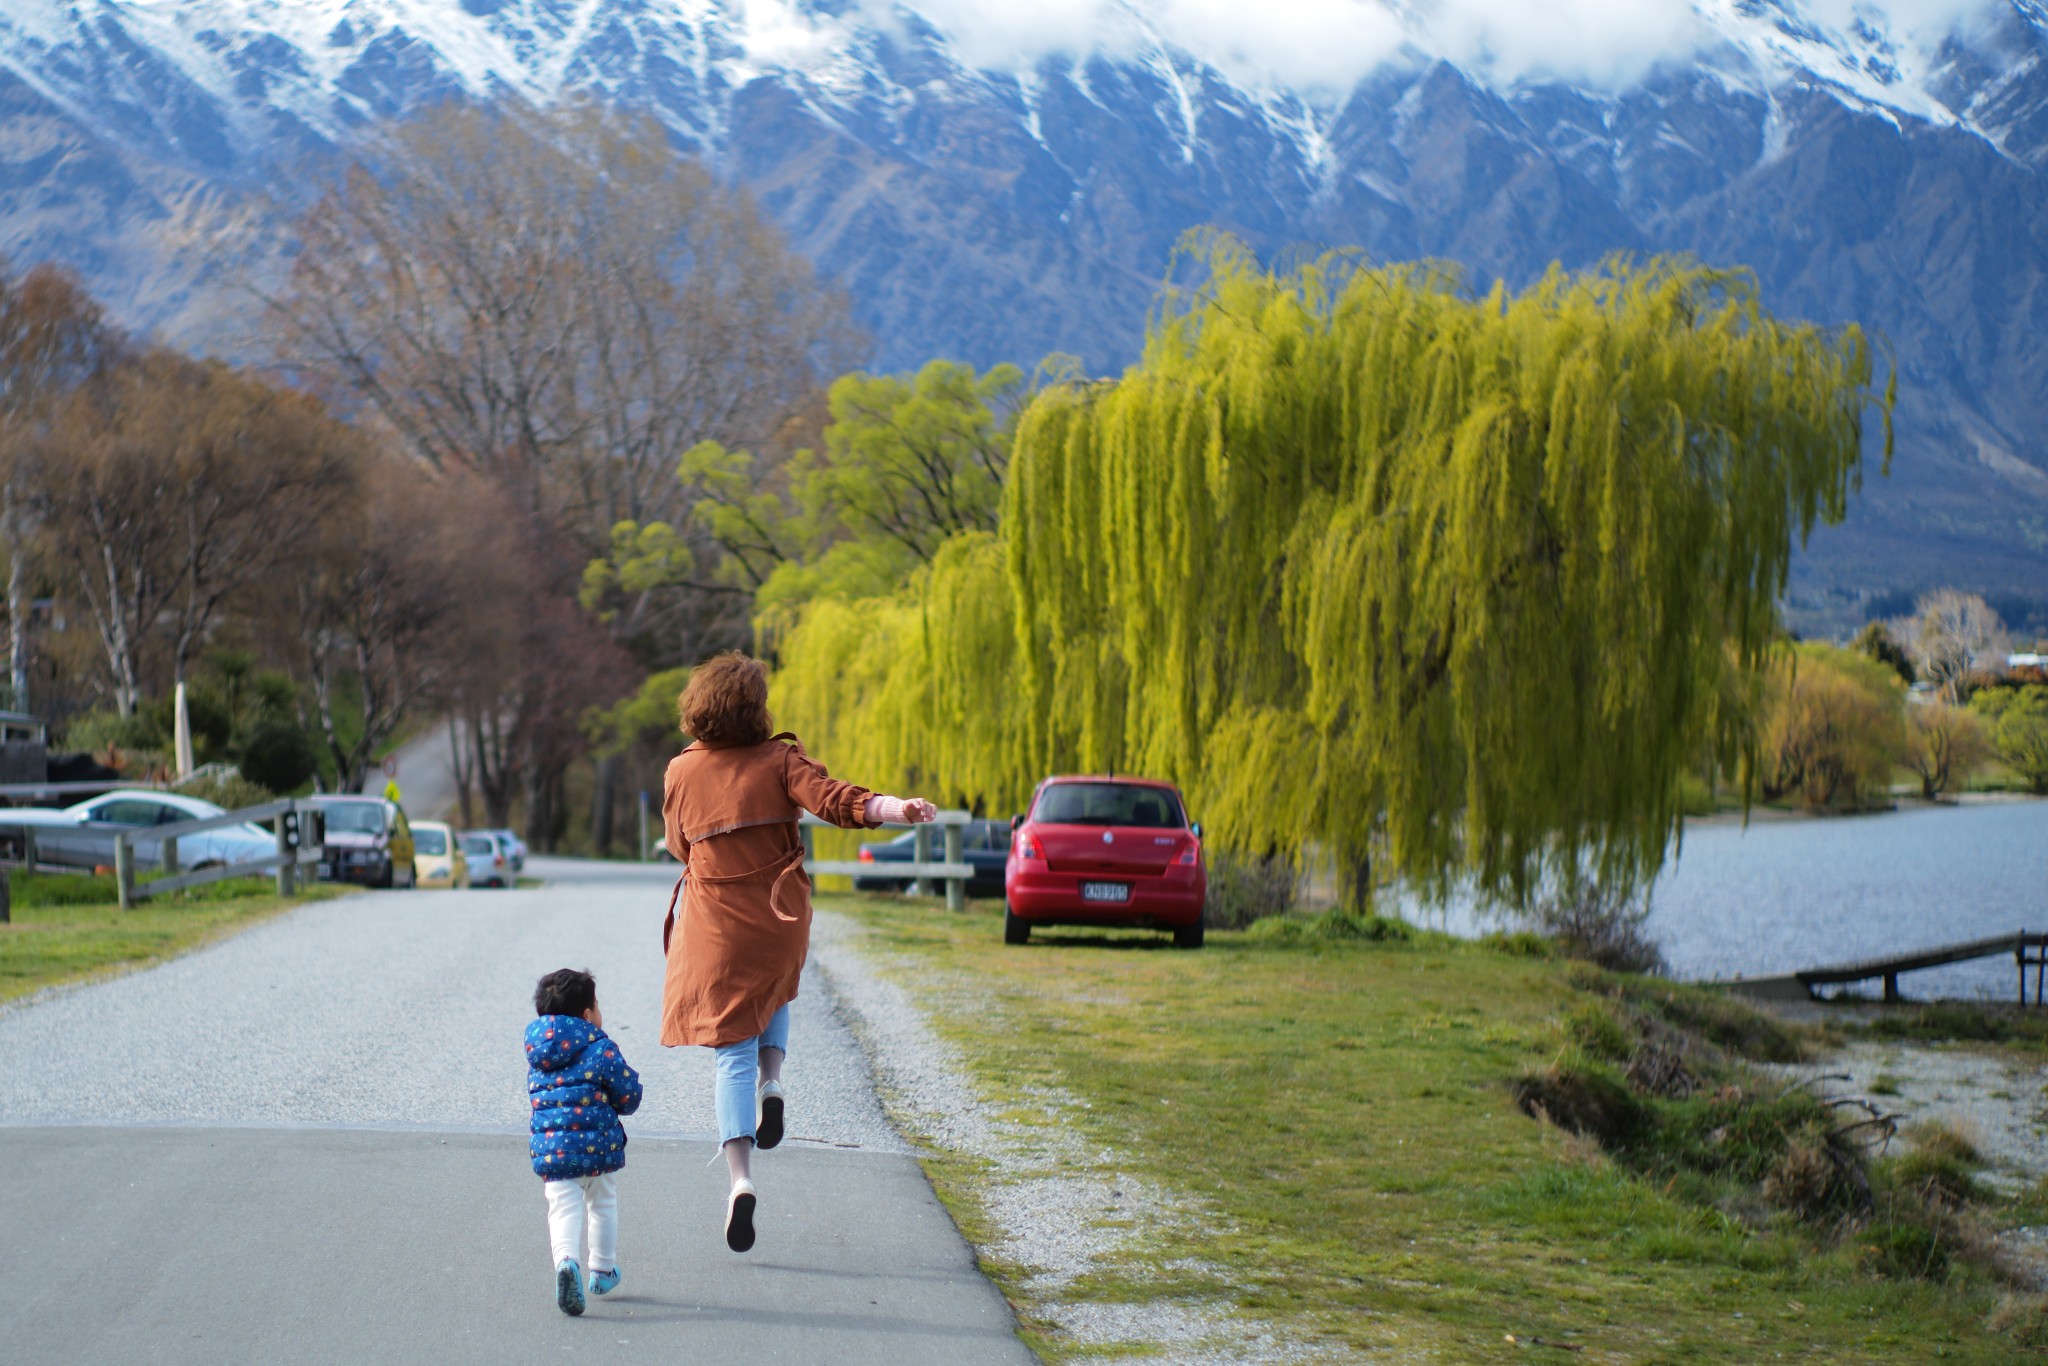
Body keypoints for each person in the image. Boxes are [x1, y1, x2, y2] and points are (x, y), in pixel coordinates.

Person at [659, 651, 934, 1253]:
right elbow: (836, 799)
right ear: (755, 709)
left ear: (698, 706)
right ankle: (775, 1083)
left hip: (716, 927)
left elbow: (679, 845)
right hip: (778, 917)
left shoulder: (681, 772)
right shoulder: (780, 760)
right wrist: (896, 808)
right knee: (775, 983)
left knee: (729, 1057)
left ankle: (739, 1181)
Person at [528, 968, 643, 1316]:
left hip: (554, 1152)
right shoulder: (600, 1048)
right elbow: (629, 1095)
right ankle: (602, 1271)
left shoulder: (538, 1055)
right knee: (602, 1205)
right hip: (597, 1150)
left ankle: (566, 1262)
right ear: (588, 1014)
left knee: (563, 1209)